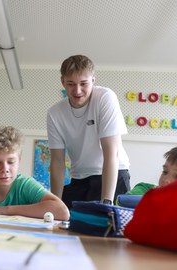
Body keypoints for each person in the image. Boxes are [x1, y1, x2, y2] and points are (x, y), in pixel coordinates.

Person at [47, 55, 130, 209]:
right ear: (62, 82)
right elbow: (57, 161)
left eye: (83, 84)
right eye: (71, 84)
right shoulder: (54, 113)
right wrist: (55, 203)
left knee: (106, 227)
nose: (77, 91)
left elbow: (111, 152)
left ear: (93, 80)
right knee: (66, 222)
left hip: (113, 174)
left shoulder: (105, 97)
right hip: (79, 177)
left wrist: (107, 202)